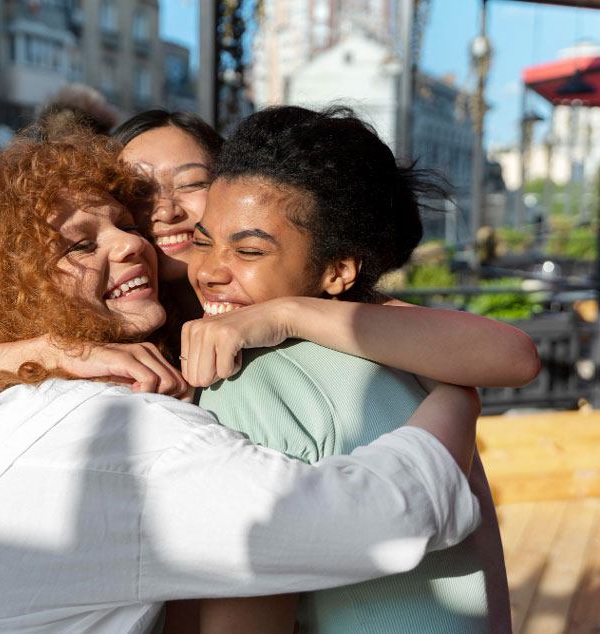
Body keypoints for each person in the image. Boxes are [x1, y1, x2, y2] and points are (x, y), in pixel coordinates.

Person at [0, 127, 483, 633]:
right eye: (82, 244)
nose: (133, 243)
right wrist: (458, 395)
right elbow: (383, 518)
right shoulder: (114, 426)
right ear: (19, 287)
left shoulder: (21, 407)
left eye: (123, 224)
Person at [180, 105, 503, 633]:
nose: (211, 271)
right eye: (203, 240)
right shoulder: (413, 358)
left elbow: (246, 619)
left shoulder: (246, 383)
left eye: (250, 250)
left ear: (337, 272)